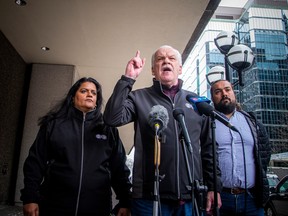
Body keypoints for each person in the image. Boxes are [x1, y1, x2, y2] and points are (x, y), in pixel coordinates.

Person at [103, 45, 222, 216]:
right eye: (160, 59)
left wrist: (213, 187)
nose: (166, 61)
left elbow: (209, 150)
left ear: (179, 68)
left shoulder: (196, 102)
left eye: (171, 58)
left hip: (191, 199)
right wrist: (128, 79)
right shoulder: (139, 97)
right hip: (148, 198)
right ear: (153, 70)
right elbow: (112, 118)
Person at [20, 77, 132, 216]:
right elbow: (35, 162)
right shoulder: (53, 125)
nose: (90, 94)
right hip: (54, 205)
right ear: (73, 97)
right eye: (84, 91)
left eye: (94, 92)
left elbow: (119, 168)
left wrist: (125, 201)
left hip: (96, 206)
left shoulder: (108, 129)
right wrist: (30, 197)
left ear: (97, 100)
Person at [210, 79, 271, 216]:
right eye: (218, 92)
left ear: (233, 92)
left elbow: (265, 152)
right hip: (220, 199)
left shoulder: (252, 121)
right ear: (212, 98)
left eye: (227, 89)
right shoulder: (207, 123)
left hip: (251, 198)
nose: (224, 94)